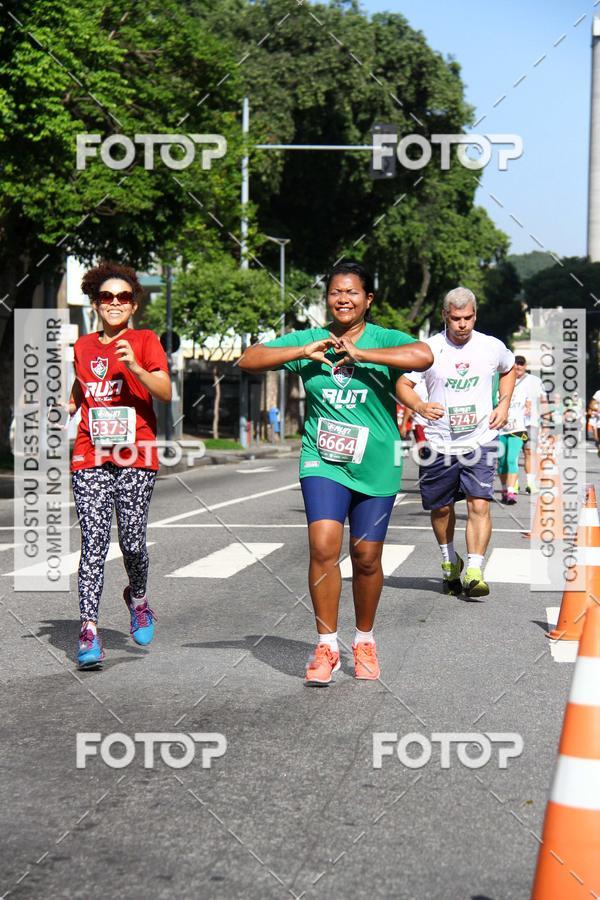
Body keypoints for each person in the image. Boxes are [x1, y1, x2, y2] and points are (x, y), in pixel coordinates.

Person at [239, 261, 432, 685]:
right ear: (327, 299)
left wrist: (361, 354)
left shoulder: (384, 339)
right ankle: (326, 645)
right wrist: (300, 352)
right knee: (323, 546)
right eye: (335, 292)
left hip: (377, 465)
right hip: (322, 461)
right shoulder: (312, 339)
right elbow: (249, 359)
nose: (343, 299)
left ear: (368, 299)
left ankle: (364, 640)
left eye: (352, 292)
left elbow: (423, 355)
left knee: (366, 557)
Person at [69, 262, 172, 669]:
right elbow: (82, 384)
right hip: (90, 454)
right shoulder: (82, 345)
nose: (115, 303)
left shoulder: (145, 340)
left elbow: (164, 391)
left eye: (123, 298)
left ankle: (139, 598)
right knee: (93, 543)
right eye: (107, 297)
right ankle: (89, 630)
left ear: (133, 305)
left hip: (136, 454)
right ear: (96, 303)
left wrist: (134, 366)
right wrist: (71, 404)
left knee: (131, 541)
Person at [397, 287, 515, 599]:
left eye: (468, 318)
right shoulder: (428, 349)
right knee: (441, 509)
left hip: (481, 438)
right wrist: (420, 407)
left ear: (475, 315)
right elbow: (403, 384)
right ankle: (450, 561)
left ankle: (475, 569)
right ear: (445, 317)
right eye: (456, 319)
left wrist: (503, 404)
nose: (462, 324)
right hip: (438, 442)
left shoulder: (491, 346)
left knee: (479, 502)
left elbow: (509, 368)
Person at [513, 356, 545, 494]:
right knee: (512, 454)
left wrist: (545, 421)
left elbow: (543, 401)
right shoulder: (506, 379)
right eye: (516, 364)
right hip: (511, 423)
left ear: (526, 366)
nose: (518, 366)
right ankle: (513, 483)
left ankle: (531, 483)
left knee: (529, 451)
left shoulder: (535, 381)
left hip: (531, 422)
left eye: (521, 364)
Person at [587, 389, 600, 457]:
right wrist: (596, 409)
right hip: (599, 422)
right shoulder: (598, 393)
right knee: (597, 440)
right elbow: (591, 404)